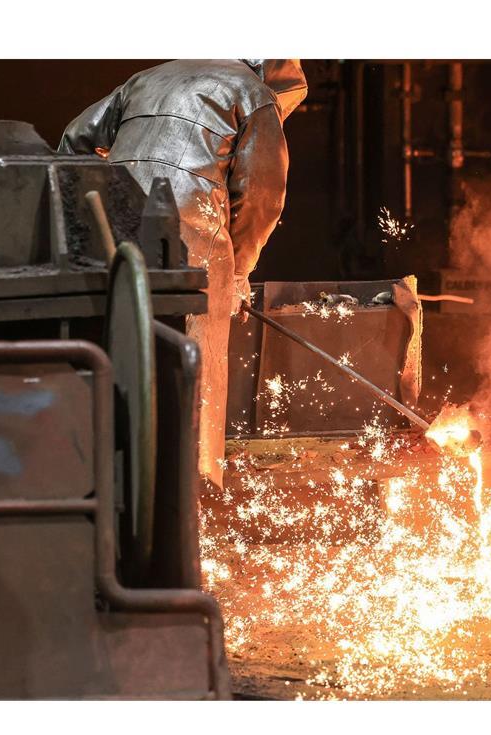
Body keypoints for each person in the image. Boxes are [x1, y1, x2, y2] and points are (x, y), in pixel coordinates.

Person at [59, 59, 307, 488]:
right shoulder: (253, 93)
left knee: (119, 356)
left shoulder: (148, 78)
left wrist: (91, 206)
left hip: (118, 232)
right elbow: (262, 198)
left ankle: (104, 481)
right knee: (196, 376)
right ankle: (193, 493)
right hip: (194, 241)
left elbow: (73, 141)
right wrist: (240, 274)